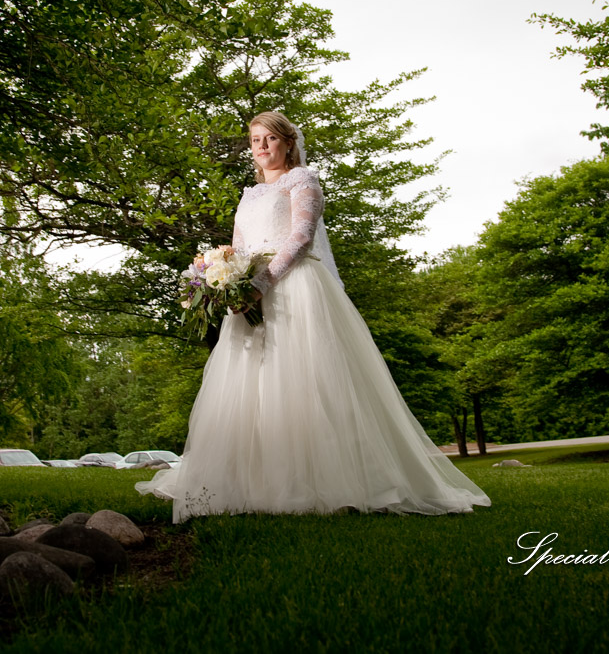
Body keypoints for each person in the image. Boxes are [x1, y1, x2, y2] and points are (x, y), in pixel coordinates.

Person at [136, 112, 491, 522]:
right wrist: (226, 283)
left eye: (270, 139)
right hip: (249, 295)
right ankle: (250, 483)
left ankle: (327, 480)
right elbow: (237, 246)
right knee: (251, 386)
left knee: (303, 380)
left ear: (288, 143)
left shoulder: (303, 180)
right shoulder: (249, 194)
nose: (262, 147)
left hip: (295, 288)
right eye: (255, 140)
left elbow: (301, 237)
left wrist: (262, 284)